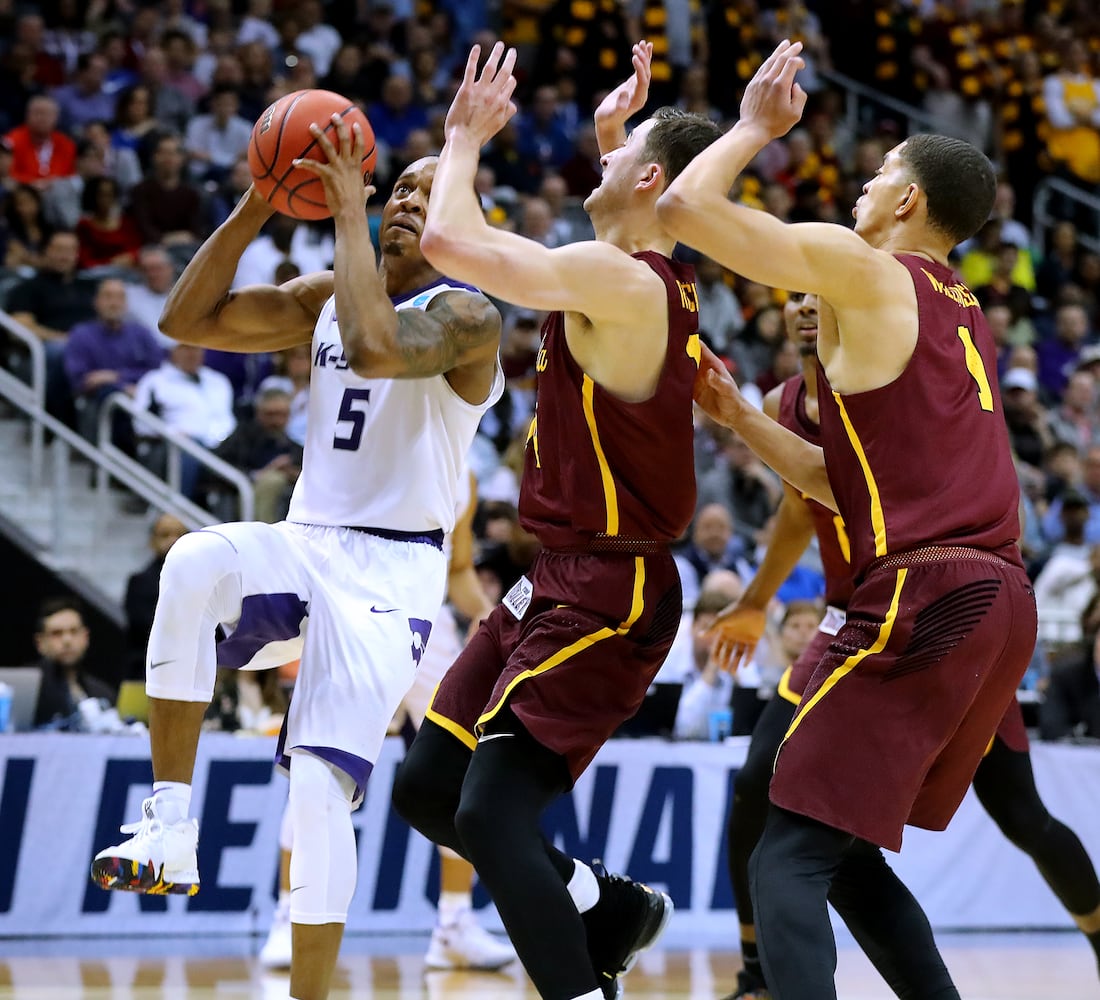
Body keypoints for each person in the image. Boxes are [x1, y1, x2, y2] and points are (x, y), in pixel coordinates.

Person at [88, 116, 505, 1000]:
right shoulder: (324, 295)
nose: (403, 201)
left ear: (468, 221)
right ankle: (168, 825)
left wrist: (350, 216)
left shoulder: (467, 316)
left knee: (318, 792)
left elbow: (375, 346)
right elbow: (182, 317)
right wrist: (257, 200)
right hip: (307, 543)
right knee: (194, 561)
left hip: (393, 577)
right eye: (400, 188)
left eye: (430, 196)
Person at [658, 40, 1039, 1000]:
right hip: (995, 599)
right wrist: (743, 417)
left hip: (926, 592)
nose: (865, 188)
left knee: (782, 855)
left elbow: (685, 211)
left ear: (908, 201)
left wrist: (752, 126)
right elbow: (846, 483)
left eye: (877, 175)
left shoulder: (869, 272)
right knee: (841, 852)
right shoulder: (965, 313)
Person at [391, 41, 722, 1000]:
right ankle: (601, 901)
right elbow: (629, 209)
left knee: (491, 817)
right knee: (426, 791)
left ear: (651, 179)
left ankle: (581, 987)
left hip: (612, 587)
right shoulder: (633, 268)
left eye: (615, 157)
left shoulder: (621, 283)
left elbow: (454, 245)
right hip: (558, 574)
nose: (597, 162)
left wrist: (463, 138)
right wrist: (618, 130)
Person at [714, 291, 1100, 1000]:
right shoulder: (785, 401)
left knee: (1019, 814)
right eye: (795, 298)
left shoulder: (889, 381)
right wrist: (753, 601)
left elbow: (836, 483)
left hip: (926, 603)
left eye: (820, 296)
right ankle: (757, 972)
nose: (805, 307)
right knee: (762, 792)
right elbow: (799, 509)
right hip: (852, 615)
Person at [260, 469, 516, 973]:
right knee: (320, 765)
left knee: (462, 769)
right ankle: (289, 915)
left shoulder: (462, 473)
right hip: (359, 618)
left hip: (428, 628)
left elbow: (459, 568)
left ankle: (455, 925)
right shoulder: (386, 435)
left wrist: (494, 625)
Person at [29, 598, 115, 728]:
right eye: (57, 633)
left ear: (85, 637)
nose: (67, 640)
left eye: (74, 631)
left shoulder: (103, 692)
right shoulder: (29, 691)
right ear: (40, 642)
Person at [123, 514, 189, 681]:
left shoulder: (202, 579)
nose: (173, 540)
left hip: (191, 671)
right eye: (165, 535)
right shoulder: (139, 582)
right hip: (148, 672)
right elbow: (144, 627)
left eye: (179, 535)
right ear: (152, 541)